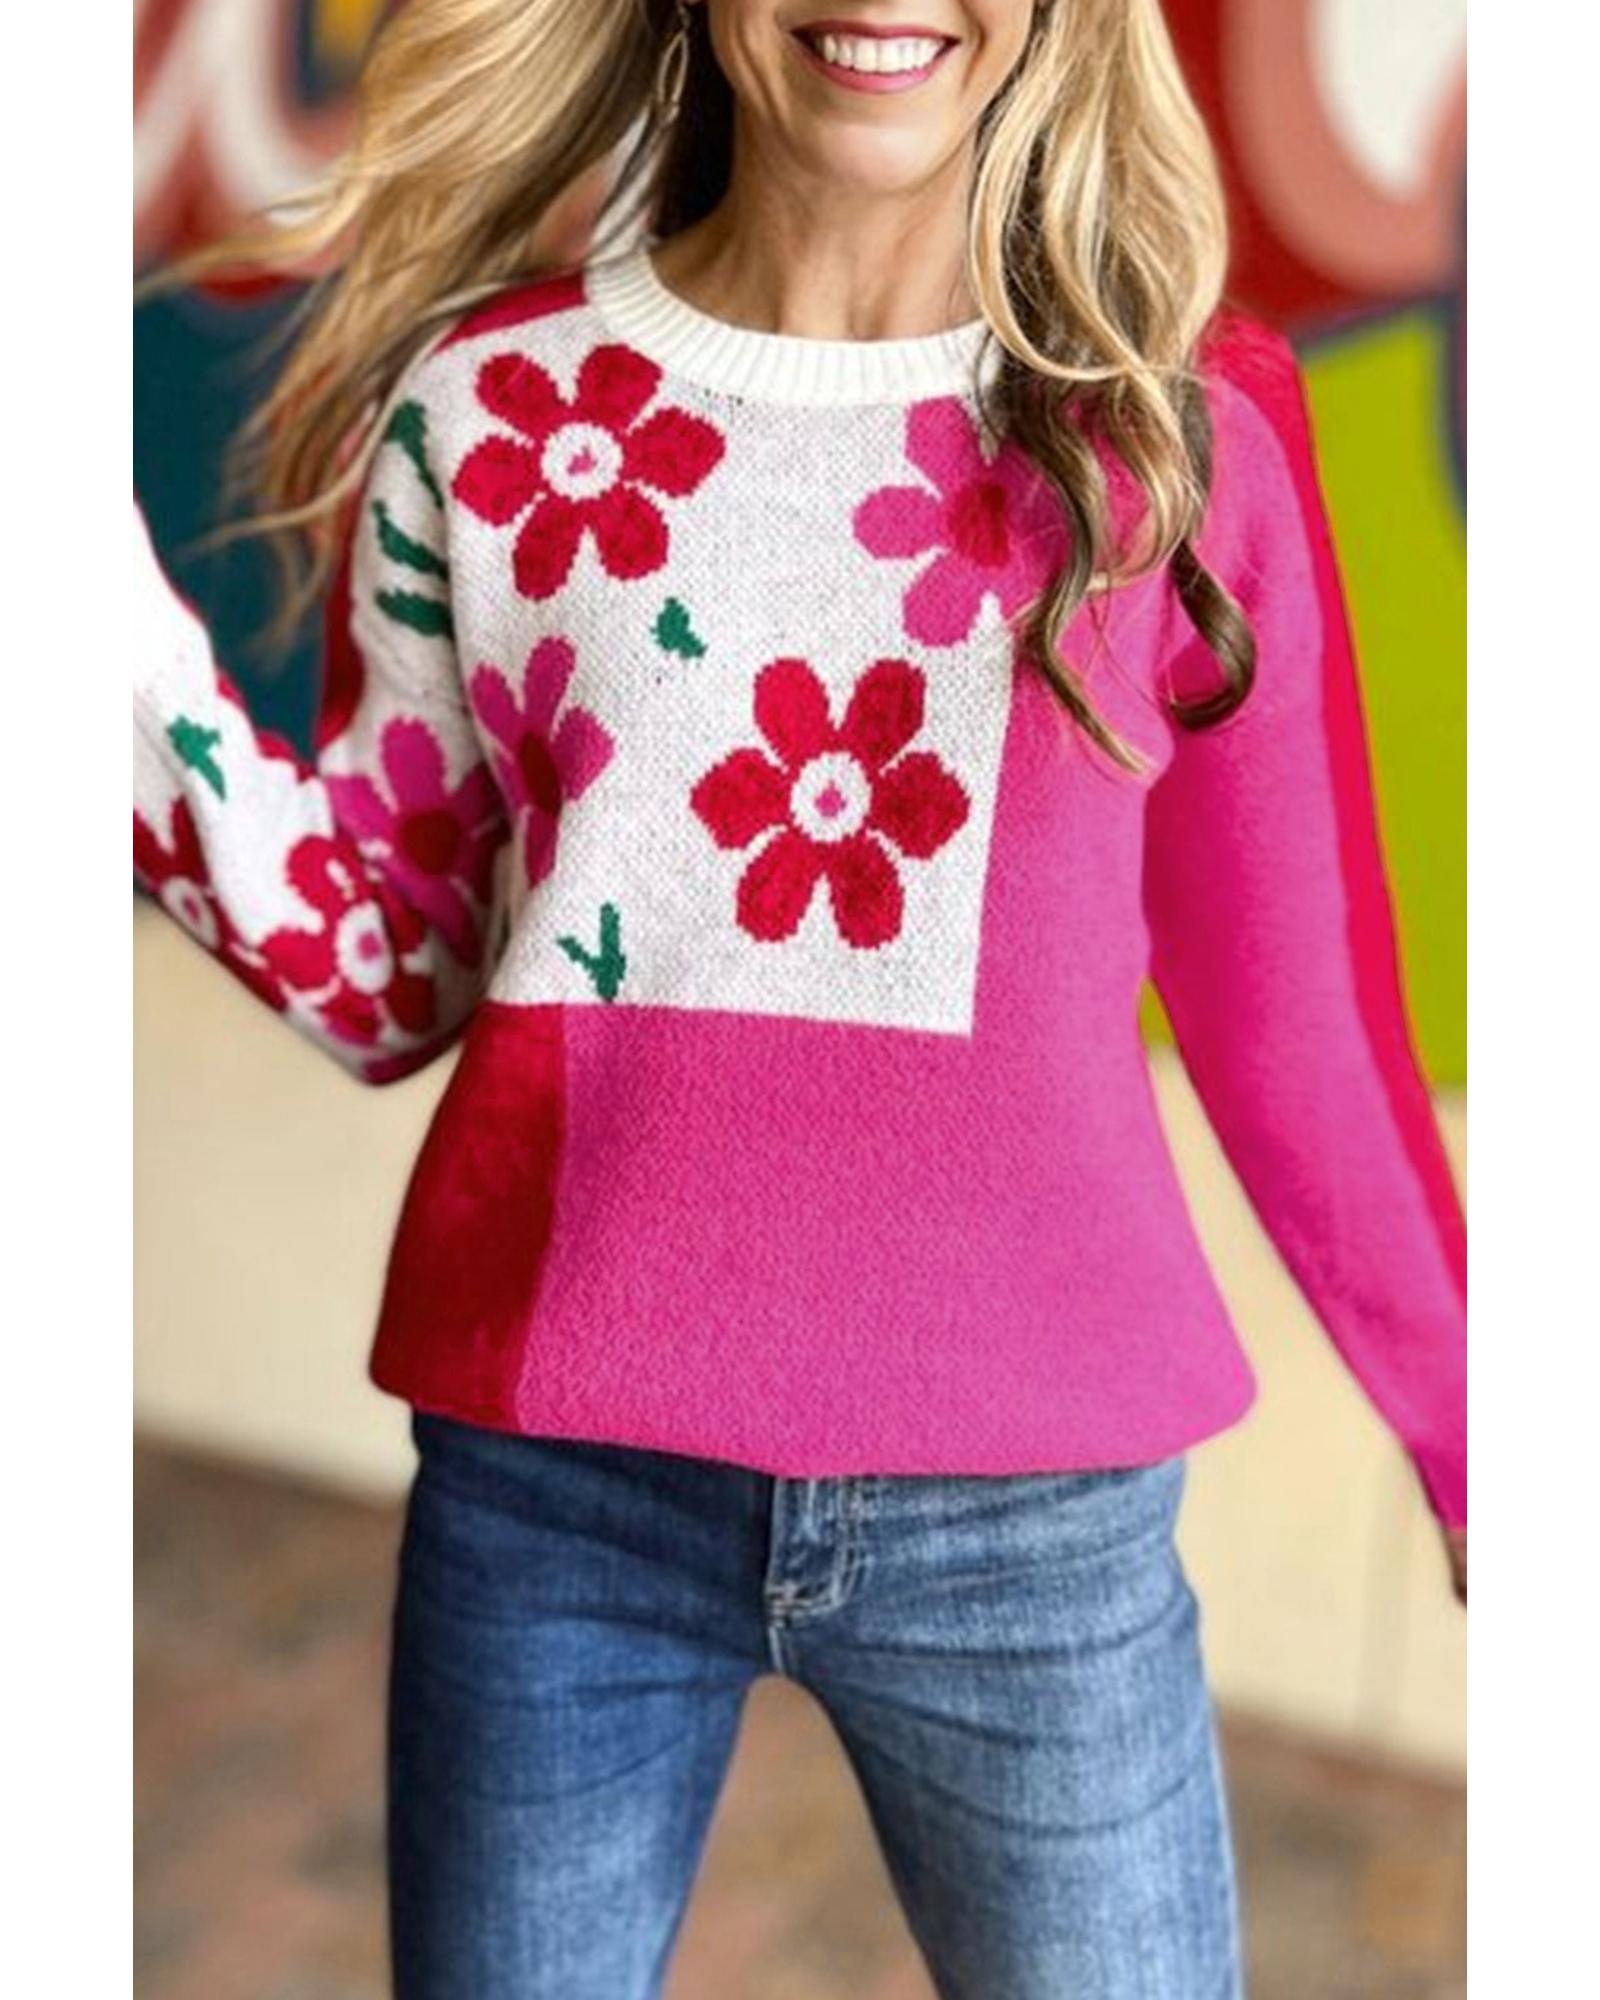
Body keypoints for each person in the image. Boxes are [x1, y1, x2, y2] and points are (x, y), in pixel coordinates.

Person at [132, 3, 1467, 1994]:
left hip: (1033, 1540)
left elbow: (1297, 1028)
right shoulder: (490, 413)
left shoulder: (1176, 443)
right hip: (554, 1507)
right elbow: (392, 974)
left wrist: (1480, 1429)